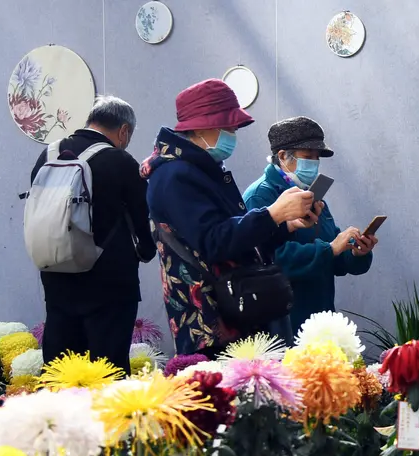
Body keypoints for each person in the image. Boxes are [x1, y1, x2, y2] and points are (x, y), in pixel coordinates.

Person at [142, 79, 317, 356]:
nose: (233, 133)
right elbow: (215, 241)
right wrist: (273, 213)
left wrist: (287, 225)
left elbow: (239, 239)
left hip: (235, 312)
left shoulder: (200, 170)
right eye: (229, 126)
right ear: (200, 127)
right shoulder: (174, 176)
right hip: (209, 322)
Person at [28, 96, 156, 373]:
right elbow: (141, 217)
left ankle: (57, 417)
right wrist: (146, 251)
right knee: (108, 371)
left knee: (61, 369)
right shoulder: (120, 161)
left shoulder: (49, 154)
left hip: (56, 275)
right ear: (124, 131)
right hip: (109, 283)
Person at [244, 117, 375, 333]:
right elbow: (270, 258)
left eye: (317, 158)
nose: (314, 164)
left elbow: (335, 257)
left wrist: (356, 252)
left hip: (320, 320)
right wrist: (330, 249)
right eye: (308, 156)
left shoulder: (310, 195)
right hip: (283, 323)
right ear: (283, 156)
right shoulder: (260, 195)